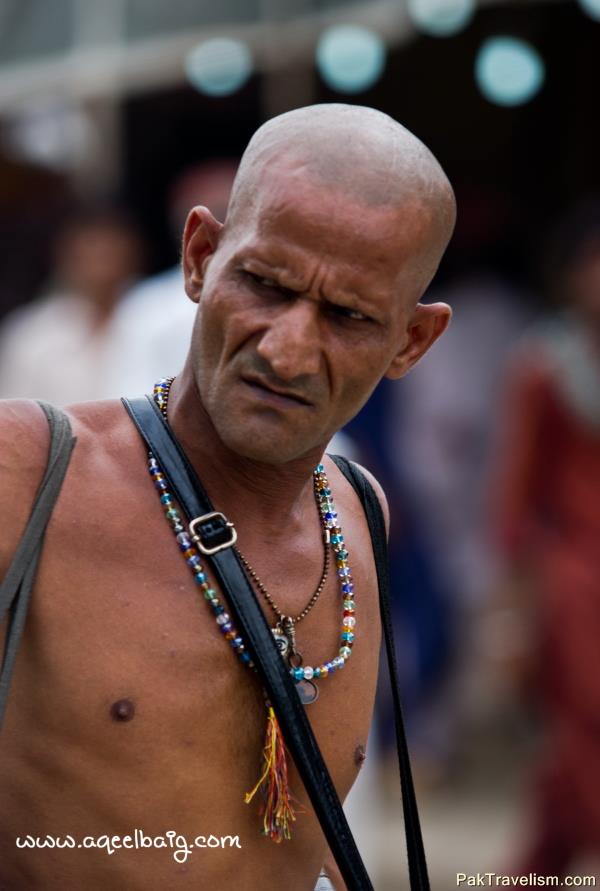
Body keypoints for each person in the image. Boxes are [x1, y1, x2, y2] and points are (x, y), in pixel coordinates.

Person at [0, 103, 456, 890]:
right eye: (264, 284)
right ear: (202, 255)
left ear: (410, 341)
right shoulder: (27, 472)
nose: (286, 349)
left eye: (348, 315)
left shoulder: (358, 514)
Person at [491, 203, 600, 877]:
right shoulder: (546, 365)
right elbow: (518, 491)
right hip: (575, 583)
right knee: (586, 723)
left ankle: (533, 873)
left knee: (573, 758)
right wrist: (517, 597)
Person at [0, 207, 144, 405]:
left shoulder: (160, 319)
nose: (102, 265)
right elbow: (13, 414)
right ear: (67, 257)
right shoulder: (32, 333)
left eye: (110, 252)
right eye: (92, 251)